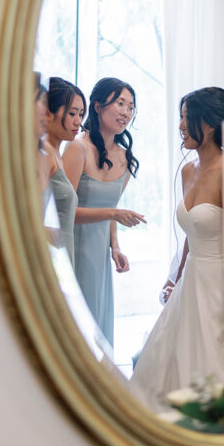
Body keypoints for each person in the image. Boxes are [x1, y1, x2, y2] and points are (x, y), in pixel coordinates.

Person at [130, 86, 224, 411]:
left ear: (208, 125)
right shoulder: (187, 171)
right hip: (192, 283)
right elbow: (193, 232)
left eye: (187, 118)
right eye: (181, 118)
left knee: (219, 366)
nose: (181, 125)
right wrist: (178, 275)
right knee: (170, 361)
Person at [63, 77, 146, 347]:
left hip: (100, 253)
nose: (125, 112)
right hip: (74, 248)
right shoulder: (77, 149)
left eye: (131, 106)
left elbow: (112, 213)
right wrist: (114, 213)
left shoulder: (125, 158)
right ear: (97, 106)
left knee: (99, 325)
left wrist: (115, 247)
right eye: (119, 103)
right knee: (77, 327)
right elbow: (65, 212)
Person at [42, 77, 85, 264]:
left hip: (63, 253)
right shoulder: (45, 153)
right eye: (72, 113)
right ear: (48, 113)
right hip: (50, 256)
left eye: (81, 114)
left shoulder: (57, 154)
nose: (78, 122)